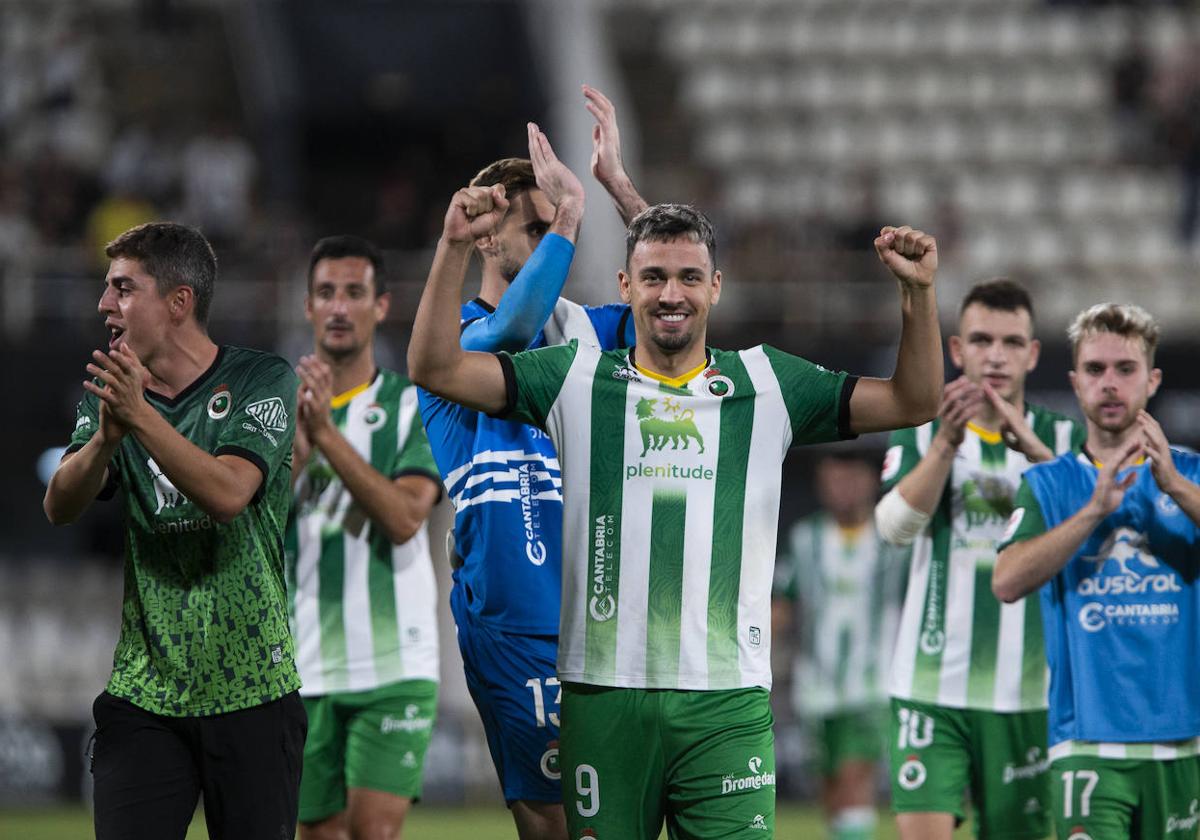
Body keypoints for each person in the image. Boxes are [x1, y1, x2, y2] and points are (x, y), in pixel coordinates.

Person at [409, 135, 943, 836]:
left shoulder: (766, 382)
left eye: (692, 277)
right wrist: (456, 245)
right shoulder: (575, 375)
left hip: (725, 706)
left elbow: (914, 400)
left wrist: (919, 296)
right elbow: (437, 367)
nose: (673, 292)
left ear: (717, 287)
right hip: (603, 697)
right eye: (653, 278)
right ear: (625, 289)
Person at [416, 86, 644, 840]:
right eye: (539, 227)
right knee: (553, 823)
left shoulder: (586, 331)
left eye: (557, 226)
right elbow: (515, 327)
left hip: (606, 616)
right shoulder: (458, 342)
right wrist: (573, 216)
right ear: (485, 238)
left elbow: (677, 293)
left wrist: (615, 188)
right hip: (516, 622)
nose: (558, 243)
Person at [43, 221, 306, 839]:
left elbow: (229, 494)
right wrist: (106, 436)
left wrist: (138, 418)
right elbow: (60, 504)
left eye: (124, 289)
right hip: (145, 694)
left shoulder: (260, 381)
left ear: (178, 302)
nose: (105, 304)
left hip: (254, 689)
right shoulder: (109, 397)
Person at [873, 279, 1084, 840]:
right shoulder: (924, 431)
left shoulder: (1064, 437)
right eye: (982, 339)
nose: (996, 355)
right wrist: (946, 444)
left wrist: (1040, 461)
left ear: (1033, 354)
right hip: (929, 688)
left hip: (1029, 695)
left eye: (1012, 342)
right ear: (956, 349)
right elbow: (892, 529)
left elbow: (1095, 540)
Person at [995, 303, 1200, 840]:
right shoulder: (1048, 483)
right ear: (1075, 382)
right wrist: (1093, 510)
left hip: (1181, 743)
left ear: (1152, 380)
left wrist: (1175, 486)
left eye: (1125, 369)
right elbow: (1007, 581)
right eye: (1095, 370)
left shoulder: (1191, 474)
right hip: (1085, 742)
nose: (1110, 383)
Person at [286, 235, 443, 840]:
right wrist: (295, 458)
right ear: (308, 307)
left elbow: (406, 518)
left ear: (381, 306)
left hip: (393, 663)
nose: (339, 307)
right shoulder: (277, 413)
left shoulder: (411, 406)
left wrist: (326, 436)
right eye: (326, 293)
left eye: (354, 293)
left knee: (372, 834)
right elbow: (246, 528)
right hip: (302, 667)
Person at [772, 450, 902, 840]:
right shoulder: (805, 538)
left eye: (849, 479)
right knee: (829, 792)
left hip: (872, 684)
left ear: (870, 482)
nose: (840, 489)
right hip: (816, 688)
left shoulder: (894, 537)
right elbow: (783, 603)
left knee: (853, 782)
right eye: (832, 481)